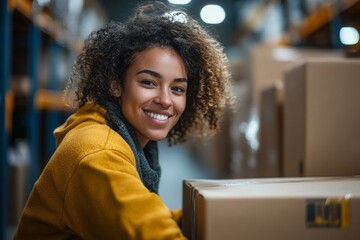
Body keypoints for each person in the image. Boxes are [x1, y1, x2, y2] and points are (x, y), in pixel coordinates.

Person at [14, 1, 234, 239]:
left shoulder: (124, 139)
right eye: (149, 82)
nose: (165, 100)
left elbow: (142, 214)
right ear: (116, 84)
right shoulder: (99, 152)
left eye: (178, 89)